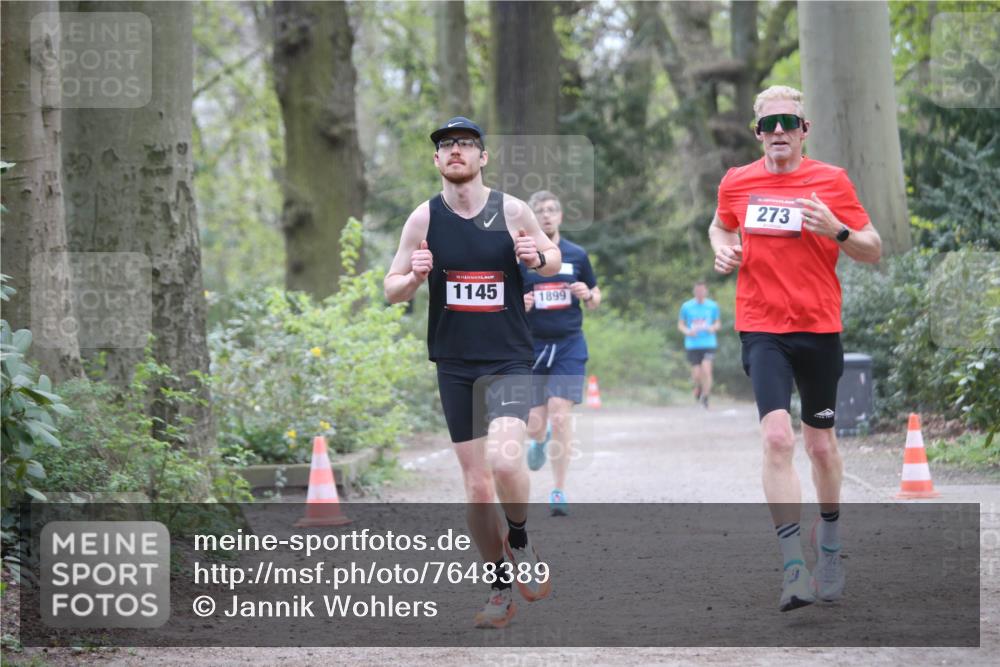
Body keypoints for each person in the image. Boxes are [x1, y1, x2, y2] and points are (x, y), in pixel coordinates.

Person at [708, 86, 882, 612]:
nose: (778, 131)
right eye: (768, 124)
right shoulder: (738, 182)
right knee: (778, 438)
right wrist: (723, 249)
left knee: (822, 446)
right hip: (762, 326)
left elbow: (872, 248)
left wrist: (839, 229)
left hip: (819, 326)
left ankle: (828, 541)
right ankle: (792, 568)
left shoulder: (831, 181)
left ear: (804, 129)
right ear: (757, 132)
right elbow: (719, 224)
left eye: (788, 122)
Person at [384, 117, 561, 629]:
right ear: (436, 161)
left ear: (483, 157)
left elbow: (549, 259)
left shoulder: (512, 210)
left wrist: (538, 254)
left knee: (507, 462)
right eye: (445, 146)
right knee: (478, 487)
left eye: (464, 144)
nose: (454, 151)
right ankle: (500, 589)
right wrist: (415, 276)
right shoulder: (423, 219)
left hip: (508, 357)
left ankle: (521, 540)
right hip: (455, 363)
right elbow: (391, 288)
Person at [519, 190, 601, 516]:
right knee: (534, 425)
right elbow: (507, 305)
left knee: (560, 413)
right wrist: (519, 306)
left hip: (568, 344)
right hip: (532, 346)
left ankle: (558, 490)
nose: (547, 215)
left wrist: (588, 294)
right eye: (540, 211)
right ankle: (539, 440)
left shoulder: (576, 255)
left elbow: (595, 296)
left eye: (552, 210)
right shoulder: (522, 259)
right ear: (532, 219)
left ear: (561, 216)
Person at [677, 281, 720, 409]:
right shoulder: (686, 306)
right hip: (692, 344)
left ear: (706, 291)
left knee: (707, 369)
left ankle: (706, 397)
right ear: (694, 292)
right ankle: (699, 387)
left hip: (708, 343)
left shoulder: (712, 306)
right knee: (696, 374)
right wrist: (688, 331)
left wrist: (713, 328)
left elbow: (717, 323)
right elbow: (681, 324)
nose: (700, 293)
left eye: (702, 291)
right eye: (697, 291)